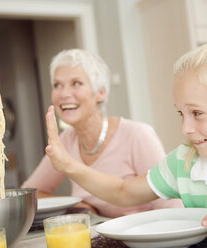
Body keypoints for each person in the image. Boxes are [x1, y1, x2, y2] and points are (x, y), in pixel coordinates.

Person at [44, 40, 207, 246]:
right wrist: (68, 165)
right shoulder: (185, 161)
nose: (185, 129)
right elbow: (123, 192)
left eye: (197, 113)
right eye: (181, 113)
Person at [22, 49, 183, 218]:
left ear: (101, 93)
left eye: (76, 83)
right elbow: (30, 194)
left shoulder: (137, 135)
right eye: (57, 85)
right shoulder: (67, 140)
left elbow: (172, 206)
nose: (64, 94)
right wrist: (75, 203)